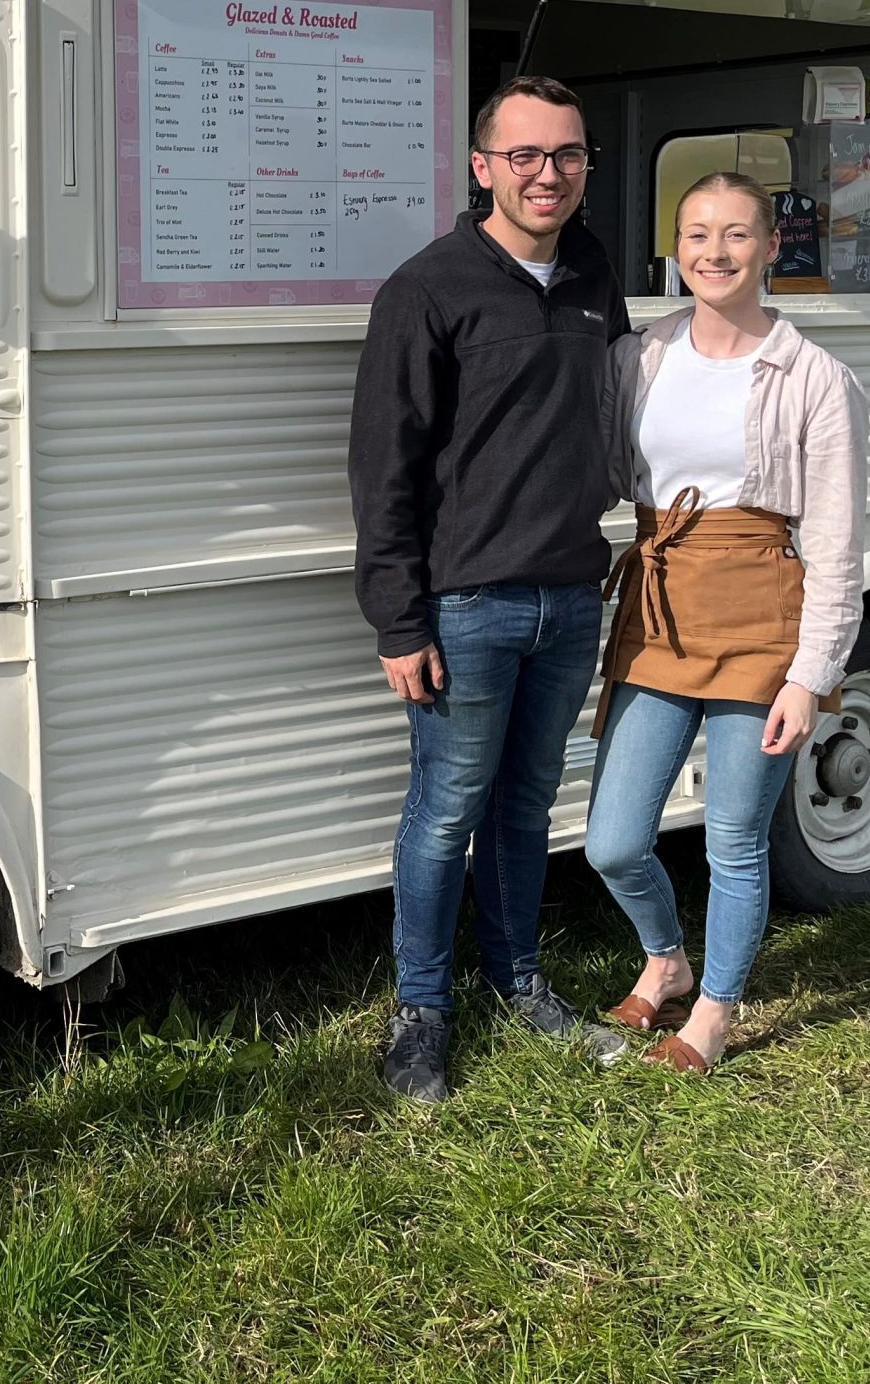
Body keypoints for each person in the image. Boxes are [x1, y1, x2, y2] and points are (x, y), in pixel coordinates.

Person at [350, 74, 635, 1102]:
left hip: (569, 594)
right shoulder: (426, 291)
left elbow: (614, 412)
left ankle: (517, 980)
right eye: (524, 156)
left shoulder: (595, 275)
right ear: (482, 169)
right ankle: (421, 1014)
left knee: (525, 807)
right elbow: (382, 467)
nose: (547, 174)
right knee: (443, 811)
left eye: (566, 154)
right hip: (467, 606)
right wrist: (397, 619)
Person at [584, 171, 868, 1073]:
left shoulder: (816, 377)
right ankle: (665, 959)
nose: (716, 252)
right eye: (698, 234)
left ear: (769, 247)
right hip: (658, 610)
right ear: (677, 248)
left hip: (761, 623)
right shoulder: (640, 358)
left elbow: (837, 542)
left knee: (733, 839)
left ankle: (714, 1009)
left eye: (737, 235)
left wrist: (810, 674)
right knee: (614, 840)